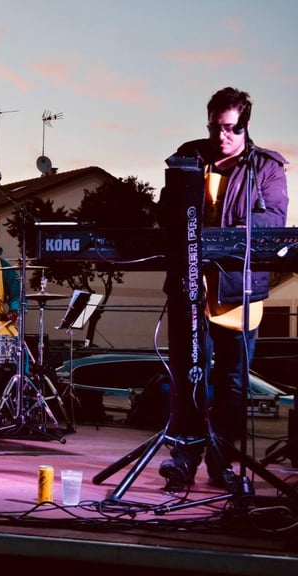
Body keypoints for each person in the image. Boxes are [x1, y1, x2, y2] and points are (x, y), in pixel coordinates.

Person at [158, 87, 289, 491]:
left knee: (233, 384)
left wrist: (225, 234)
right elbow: (166, 211)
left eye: (231, 128)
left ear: (246, 125)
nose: (221, 136)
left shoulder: (265, 167)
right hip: (192, 291)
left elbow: (275, 221)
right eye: (215, 127)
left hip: (239, 295)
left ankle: (222, 463)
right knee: (189, 378)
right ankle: (184, 461)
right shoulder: (189, 157)